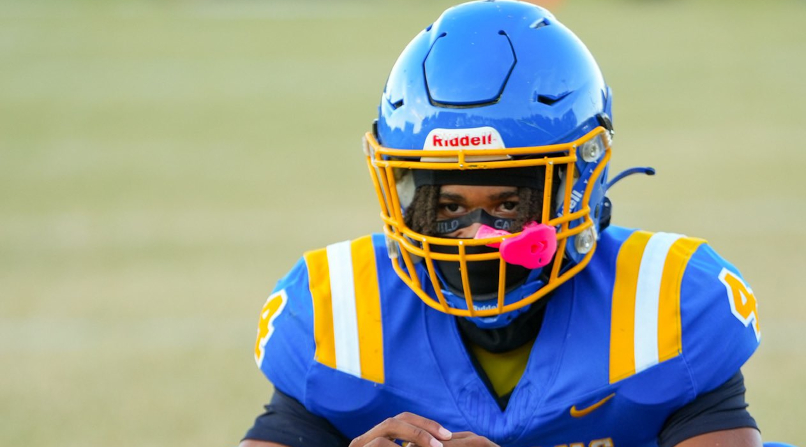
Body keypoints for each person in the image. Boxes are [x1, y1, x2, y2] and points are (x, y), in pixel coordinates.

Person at [240, 1, 771, 446]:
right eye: (449, 207)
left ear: (577, 185)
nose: (476, 234)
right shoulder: (338, 312)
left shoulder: (665, 302)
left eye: (509, 206)